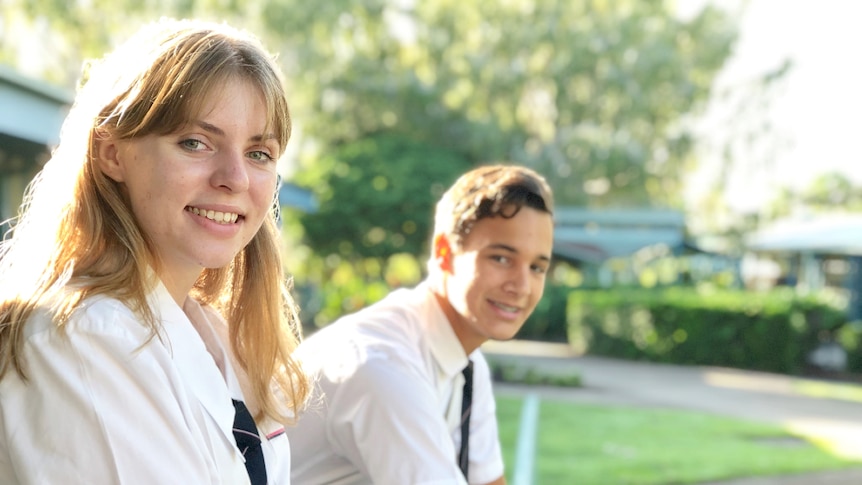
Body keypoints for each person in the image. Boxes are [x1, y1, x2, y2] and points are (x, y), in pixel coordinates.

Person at [0, 18, 308, 484]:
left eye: (259, 153)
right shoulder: (82, 336)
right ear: (112, 153)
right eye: (195, 143)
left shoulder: (216, 333)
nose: (235, 178)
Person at [288, 165, 555, 485]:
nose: (522, 285)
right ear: (444, 252)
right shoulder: (383, 366)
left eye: (537, 267)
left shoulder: (468, 366)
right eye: (500, 258)